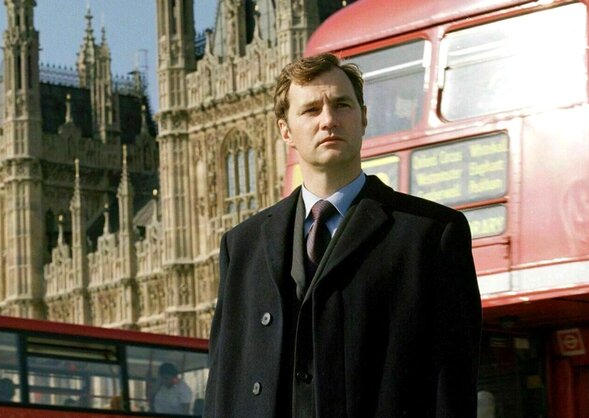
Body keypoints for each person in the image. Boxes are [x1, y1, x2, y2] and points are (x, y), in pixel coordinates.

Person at [203, 53, 482, 417]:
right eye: (311, 110)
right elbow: (224, 382)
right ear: (285, 130)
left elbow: (453, 387)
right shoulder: (242, 246)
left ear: (363, 117)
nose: (329, 120)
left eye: (341, 105)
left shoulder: (430, 234)